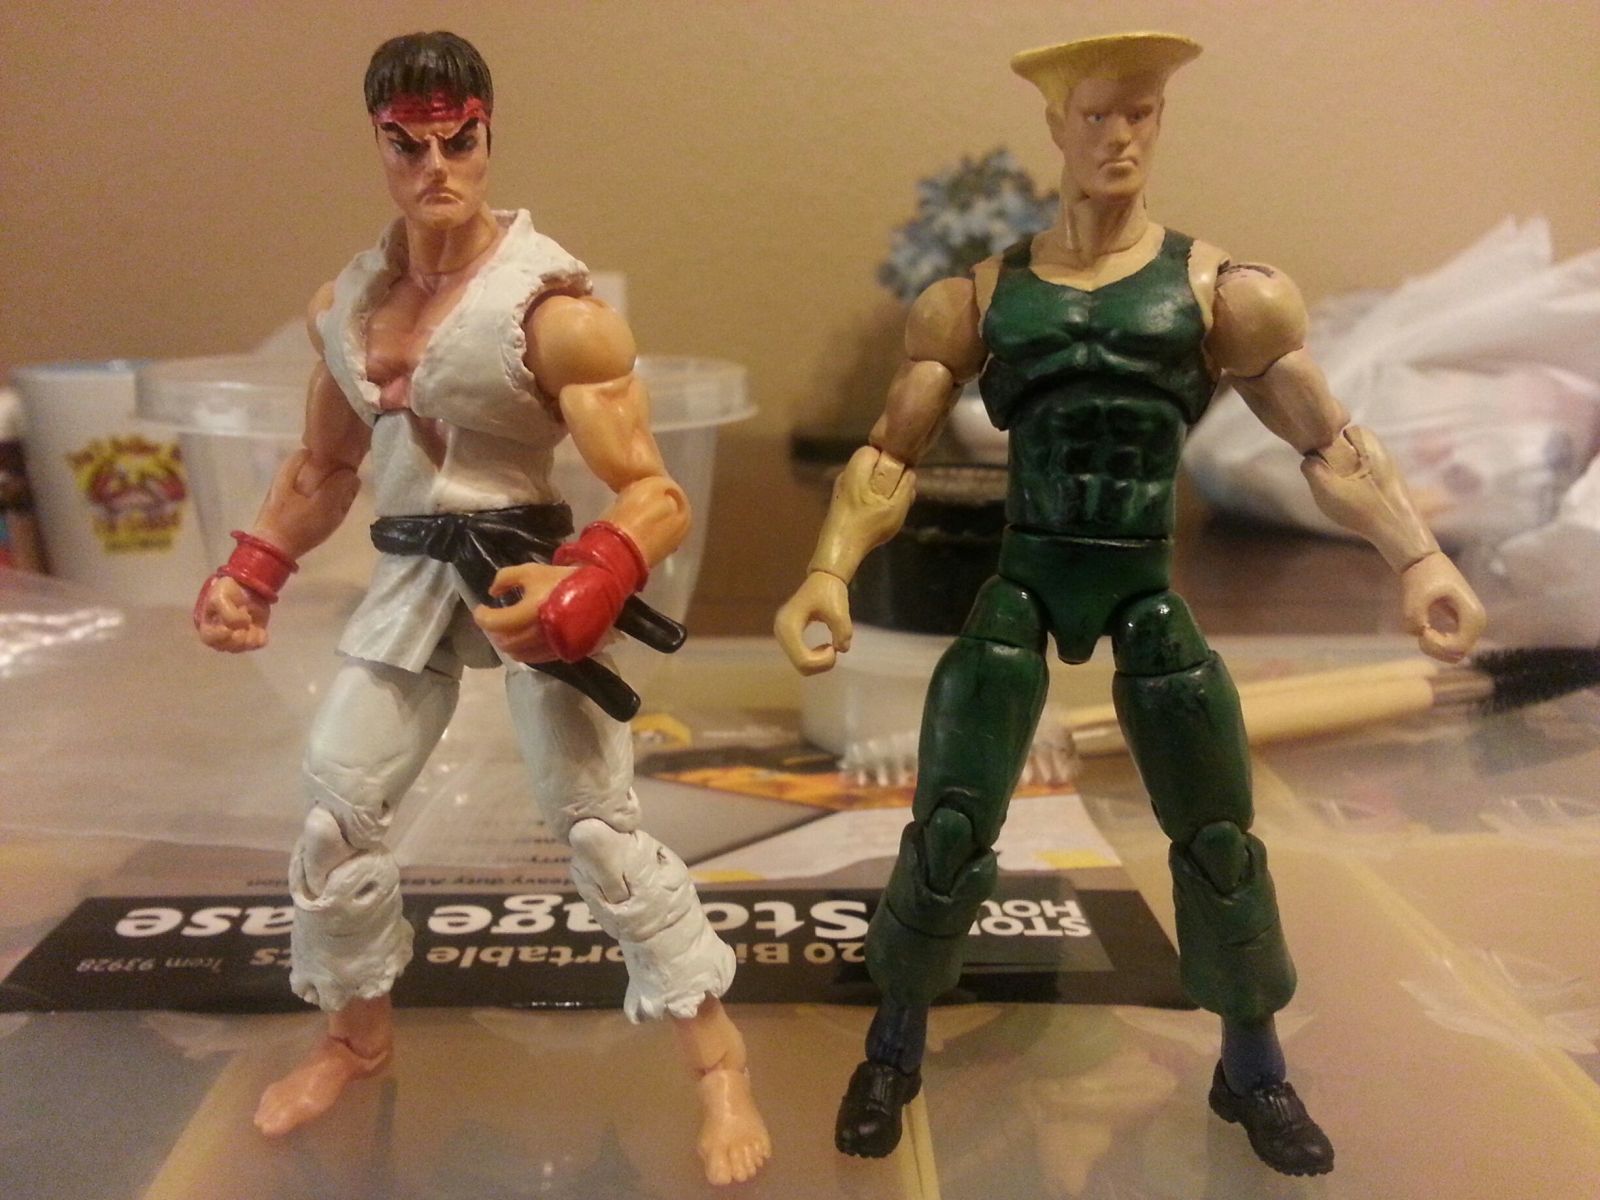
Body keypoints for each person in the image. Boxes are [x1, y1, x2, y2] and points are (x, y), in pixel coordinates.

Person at [775, 32, 1484, 1178]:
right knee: (951, 820)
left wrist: (1419, 558)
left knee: (1216, 832)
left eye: (1141, 113)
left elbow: (1327, 441)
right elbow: (890, 452)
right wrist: (827, 570)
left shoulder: (1224, 296)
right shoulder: (979, 299)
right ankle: (894, 1043)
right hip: (1024, 577)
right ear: (1055, 127)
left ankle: (1251, 1064)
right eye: (1098, 114)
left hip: (1144, 585)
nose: (1119, 137)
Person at [194, 31, 770, 1187]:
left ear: (488, 137)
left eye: (459, 142)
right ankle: (355, 1041)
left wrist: (589, 577)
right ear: (379, 146)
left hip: (526, 572)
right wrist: (252, 568)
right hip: (410, 577)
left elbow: (654, 494)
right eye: (408, 146)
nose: (436, 168)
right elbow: (322, 468)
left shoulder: (554, 315)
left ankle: (719, 1067)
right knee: (333, 817)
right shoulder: (346, 308)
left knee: (598, 830)